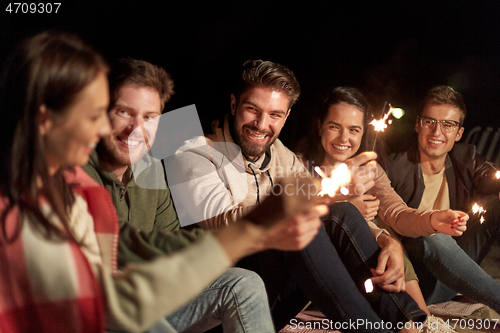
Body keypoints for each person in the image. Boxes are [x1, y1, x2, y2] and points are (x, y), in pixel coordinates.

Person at [0, 31, 326, 333]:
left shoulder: (106, 178)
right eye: (105, 113)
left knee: (243, 282)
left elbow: (147, 245)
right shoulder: (40, 198)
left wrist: (257, 232)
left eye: (150, 118)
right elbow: (114, 305)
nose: (102, 129)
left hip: (129, 297)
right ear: (44, 118)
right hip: (112, 309)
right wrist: (253, 229)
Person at [167, 59, 432, 333]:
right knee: (304, 221)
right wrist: (317, 192)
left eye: (275, 115)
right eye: (251, 109)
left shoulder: (281, 154)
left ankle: (406, 324)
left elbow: (336, 214)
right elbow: (223, 223)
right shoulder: (195, 154)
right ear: (234, 105)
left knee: (340, 213)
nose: (261, 124)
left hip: (271, 295)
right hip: (223, 298)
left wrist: (387, 241)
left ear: (286, 116)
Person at [83, 57, 324, 333]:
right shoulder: (75, 172)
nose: (136, 128)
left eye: (149, 117)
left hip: (150, 298)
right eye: (124, 112)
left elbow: (175, 248)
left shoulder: (149, 170)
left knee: (244, 283)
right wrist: (267, 219)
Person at [295, 86, 467, 331]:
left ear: (363, 132)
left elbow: (397, 212)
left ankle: (420, 321)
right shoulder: (298, 165)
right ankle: (418, 321)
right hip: (317, 275)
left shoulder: (369, 169)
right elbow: (295, 216)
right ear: (320, 124)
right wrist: (343, 203)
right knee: (367, 223)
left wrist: (432, 219)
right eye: (335, 126)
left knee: (387, 229)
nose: (344, 139)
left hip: (368, 273)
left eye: (354, 130)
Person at [384, 85, 500, 311]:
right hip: (417, 284)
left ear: (459, 133)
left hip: (458, 271)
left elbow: (489, 176)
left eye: (448, 124)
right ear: (418, 125)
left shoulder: (467, 158)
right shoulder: (394, 169)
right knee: (430, 233)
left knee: (495, 205)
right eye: (430, 121)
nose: (437, 132)